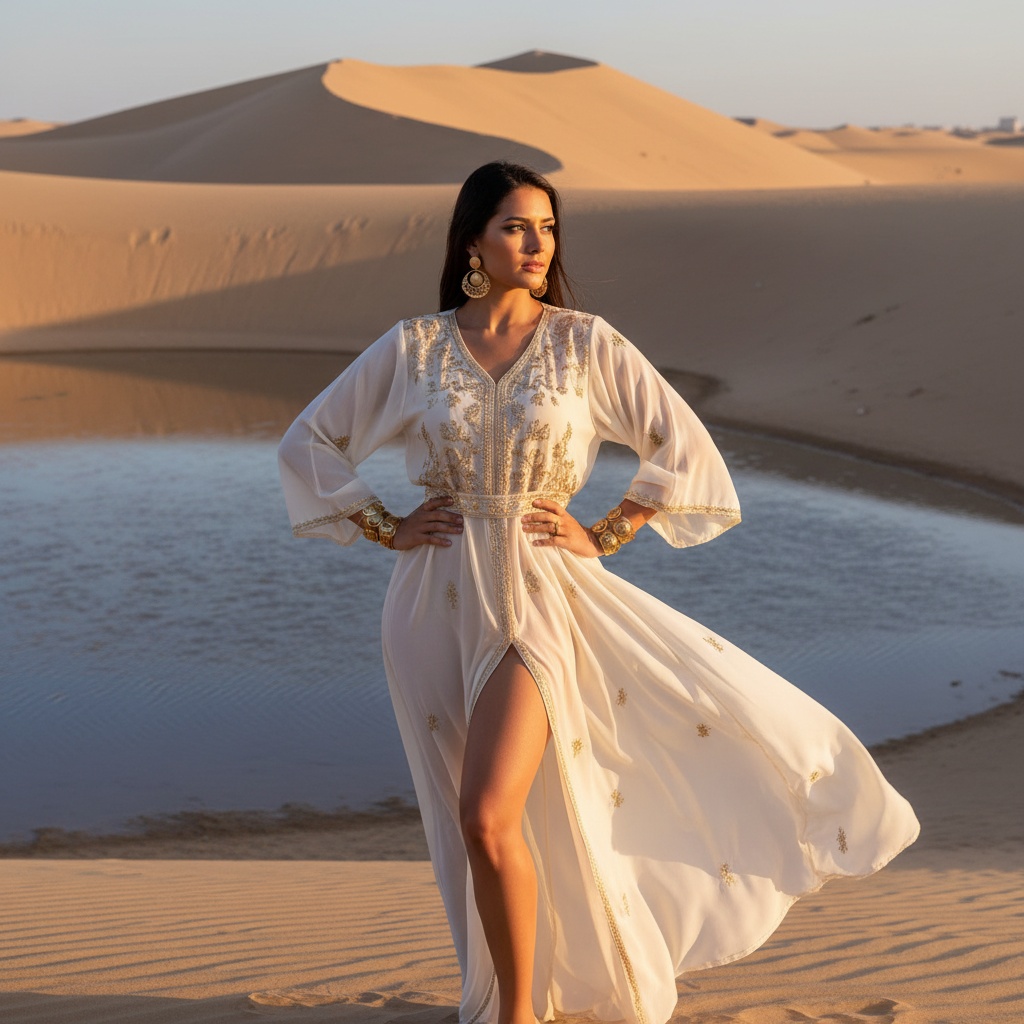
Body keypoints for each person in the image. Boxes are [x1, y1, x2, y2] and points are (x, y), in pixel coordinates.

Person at [278, 161, 919, 1024]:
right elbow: (310, 441)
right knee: (475, 824)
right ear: (472, 243)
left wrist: (610, 529)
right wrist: (384, 525)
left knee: (486, 813)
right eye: (514, 226)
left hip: (545, 592)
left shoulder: (585, 343)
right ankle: (516, 1000)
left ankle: (516, 1018)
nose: (536, 244)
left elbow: (680, 445)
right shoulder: (414, 348)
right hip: (432, 598)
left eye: (547, 228)